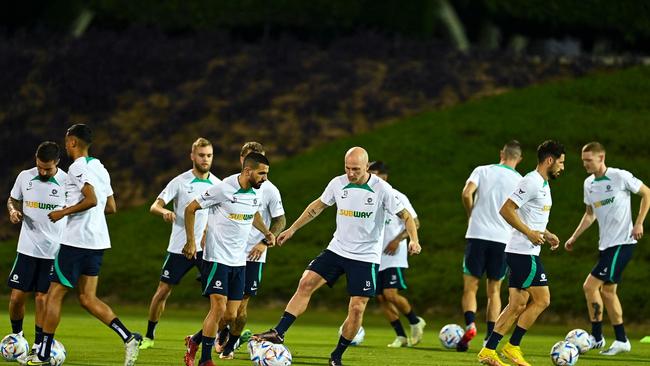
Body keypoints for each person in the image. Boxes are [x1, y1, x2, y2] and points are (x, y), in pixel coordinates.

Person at [253, 147, 422, 366]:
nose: (351, 173)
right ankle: (279, 332)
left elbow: (407, 216)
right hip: (337, 249)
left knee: (357, 307)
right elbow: (317, 206)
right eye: (347, 168)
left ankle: (337, 355)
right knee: (306, 283)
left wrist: (414, 240)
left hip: (365, 257)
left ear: (367, 167)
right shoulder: (338, 183)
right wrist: (292, 229)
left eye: (356, 169)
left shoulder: (383, 189)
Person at [24, 124, 141, 366]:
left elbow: (91, 199)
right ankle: (128, 337)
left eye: (67, 142)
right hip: (97, 242)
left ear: (73, 142)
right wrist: (91, 217)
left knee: (53, 295)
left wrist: (63, 212)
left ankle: (43, 355)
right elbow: (110, 207)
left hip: (76, 242)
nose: (66, 146)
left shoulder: (77, 167)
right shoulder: (100, 168)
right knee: (88, 299)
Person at [183, 152, 275, 366]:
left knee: (231, 316)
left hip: (239, 261)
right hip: (216, 258)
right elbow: (191, 208)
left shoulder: (256, 192)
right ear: (247, 171)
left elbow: (254, 213)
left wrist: (266, 232)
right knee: (218, 308)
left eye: (266, 174)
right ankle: (205, 360)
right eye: (261, 173)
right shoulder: (224, 188)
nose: (265, 178)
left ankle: (194, 340)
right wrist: (191, 241)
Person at [478, 140, 565, 366]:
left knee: (516, 304)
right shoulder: (531, 181)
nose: (562, 167)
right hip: (523, 253)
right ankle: (512, 346)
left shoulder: (543, 184)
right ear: (549, 160)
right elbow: (506, 209)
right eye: (561, 162)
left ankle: (489, 350)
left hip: (525, 251)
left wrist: (547, 233)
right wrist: (528, 233)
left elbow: (531, 218)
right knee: (542, 299)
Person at [564, 142, 649, 355]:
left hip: (622, 243)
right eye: (583, 160)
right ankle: (621, 340)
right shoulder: (588, 184)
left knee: (589, 286)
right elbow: (590, 214)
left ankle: (597, 337)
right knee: (609, 292)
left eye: (588, 160)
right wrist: (574, 236)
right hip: (606, 245)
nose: (585, 164)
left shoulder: (620, 176)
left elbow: (647, 193)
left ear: (601, 158)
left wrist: (639, 222)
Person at [139, 138, 220, 350]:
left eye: (209, 155)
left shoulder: (219, 185)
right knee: (163, 291)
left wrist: (207, 232)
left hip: (207, 250)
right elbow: (154, 206)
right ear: (192, 156)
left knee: (217, 297)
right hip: (179, 248)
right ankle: (149, 335)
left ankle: (208, 338)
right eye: (201, 155)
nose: (205, 159)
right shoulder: (180, 182)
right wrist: (165, 211)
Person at [214, 142, 286, 358]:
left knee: (241, 306)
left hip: (253, 256)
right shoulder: (229, 186)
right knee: (223, 307)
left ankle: (229, 344)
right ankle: (219, 332)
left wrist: (264, 242)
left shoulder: (270, 190)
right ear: (244, 162)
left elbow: (280, 219)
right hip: (226, 253)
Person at [458, 141, 523, 351]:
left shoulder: (482, 170)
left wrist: (471, 214)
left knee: (471, 286)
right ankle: (489, 337)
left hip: (477, 235)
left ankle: (470, 325)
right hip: (503, 239)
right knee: (494, 291)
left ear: (501, 153)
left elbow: (466, 193)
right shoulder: (521, 180)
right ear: (519, 159)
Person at [7, 142, 68, 356]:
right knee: (16, 298)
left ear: (57, 163)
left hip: (53, 251)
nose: (43, 171)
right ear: (36, 159)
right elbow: (13, 199)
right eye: (40, 166)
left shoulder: (68, 183)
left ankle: (39, 344)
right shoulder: (25, 176)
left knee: (42, 298)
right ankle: (17, 337)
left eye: (48, 168)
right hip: (26, 248)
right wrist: (13, 211)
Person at [367, 161, 425, 348]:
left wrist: (398, 240)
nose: (370, 175)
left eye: (373, 172)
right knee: (381, 298)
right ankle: (400, 335)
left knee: (390, 294)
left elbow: (414, 223)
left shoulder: (397, 196)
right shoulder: (368, 196)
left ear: (384, 176)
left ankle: (415, 321)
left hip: (394, 254)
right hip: (375, 254)